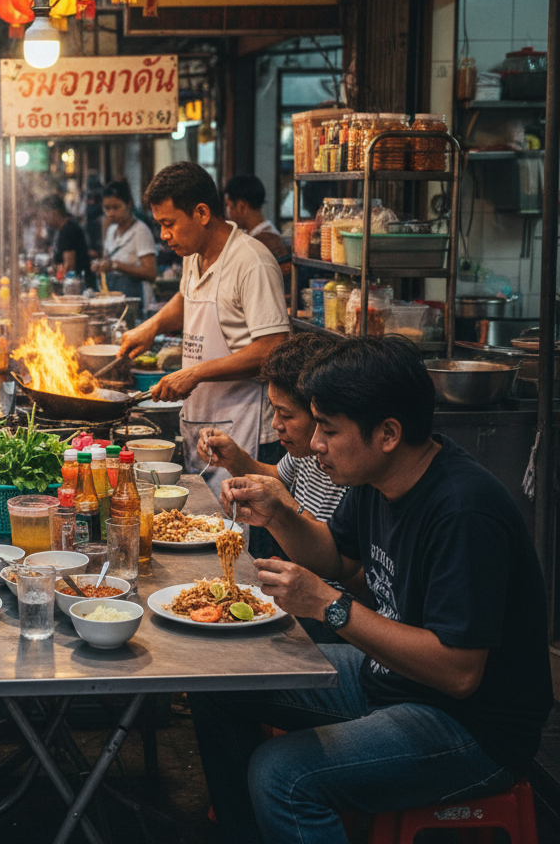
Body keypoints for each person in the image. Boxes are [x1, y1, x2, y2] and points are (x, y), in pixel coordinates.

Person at [192, 336, 553, 844]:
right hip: (393, 680)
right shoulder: (375, 481)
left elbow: (458, 673)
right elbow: (336, 557)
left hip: (471, 728)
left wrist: (329, 605)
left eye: (329, 429)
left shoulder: (463, 511)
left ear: (388, 433)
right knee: (220, 679)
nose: (317, 443)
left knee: (282, 774)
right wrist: (278, 515)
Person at [119, 163, 289, 479]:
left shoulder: (252, 263)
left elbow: (273, 349)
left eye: (169, 223)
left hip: (246, 429)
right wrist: (152, 326)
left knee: (241, 511)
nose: (163, 235)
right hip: (202, 423)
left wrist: (195, 373)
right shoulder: (193, 254)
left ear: (201, 213)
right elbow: (188, 298)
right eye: (159, 225)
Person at [197, 332, 350, 639]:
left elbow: (340, 563)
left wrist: (286, 508)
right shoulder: (302, 452)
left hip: (330, 618)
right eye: (273, 410)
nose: (275, 424)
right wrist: (235, 459)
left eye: (286, 414)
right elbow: (278, 479)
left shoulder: (348, 467)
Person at [90, 181, 157, 306]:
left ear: (129, 204)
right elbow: (107, 259)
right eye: (107, 208)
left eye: (116, 207)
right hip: (115, 298)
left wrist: (116, 265)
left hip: (136, 300)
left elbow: (150, 272)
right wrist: (100, 265)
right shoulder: (111, 230)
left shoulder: (140, 231)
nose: (111, 213)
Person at [223, 175, 290, 276]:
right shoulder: (253, 236)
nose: (227, 212)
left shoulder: (267, 241)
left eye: (228, 205)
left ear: (241, 207)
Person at [41, 194, 92, 286]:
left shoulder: (69, 230)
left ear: (55, 212)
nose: (44, 220)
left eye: (45, 215)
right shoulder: (59, 230)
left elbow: (69, 267)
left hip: (77, 286)